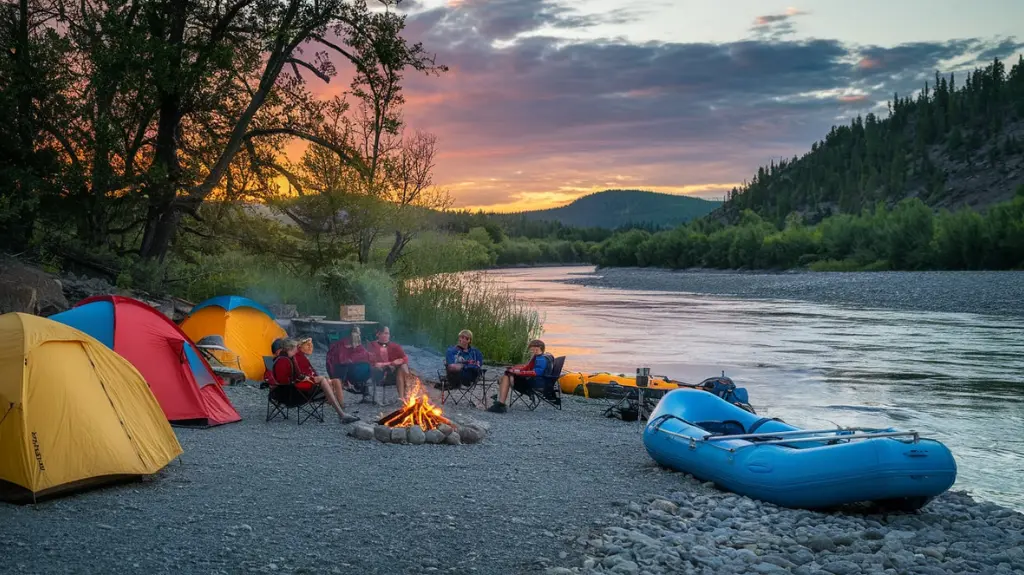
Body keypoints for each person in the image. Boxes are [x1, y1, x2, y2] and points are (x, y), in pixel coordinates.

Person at [274, 338, 359, 424]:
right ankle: (341, 414)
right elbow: (284, 382)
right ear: (290, 348)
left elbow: (297, 375)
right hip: (291, 395)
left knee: (325, 380)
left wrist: (304, 378)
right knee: (322, 379)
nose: (297, 349)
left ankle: (341, 412)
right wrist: (302, 379)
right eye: (296, 347)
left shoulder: (289, 358)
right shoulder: (283, 361)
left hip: (293, 390)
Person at [487, 339, 553, 413]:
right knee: (505, 375)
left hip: (535, 382)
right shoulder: (537, 357)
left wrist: (520, 373)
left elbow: (536, 372)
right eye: (532, 349)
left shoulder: (541, 359)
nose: (533, 351)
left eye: (535, 349)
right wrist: (515, 369)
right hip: (533, 379)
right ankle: (501, 399)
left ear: (541, 348)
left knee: (507, 377)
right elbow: (527, 367)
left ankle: (501, 404)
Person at [366, 325, 412, 402]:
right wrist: (391, 363)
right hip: (379, 374)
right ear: (378, 334)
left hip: (394, 374)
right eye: (385, 333)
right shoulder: (372, 345)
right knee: (401, 367)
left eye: (388, 333)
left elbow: (405, 358)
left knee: (403, 366)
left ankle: (403, 397)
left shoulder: (395, 346)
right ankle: (406, 395)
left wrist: (399, 361)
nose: (387, 335)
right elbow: (372, 362)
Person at [326, 326, 373, 396]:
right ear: (351, 333)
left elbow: (363, 353)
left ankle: (362, 388)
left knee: (369, 366)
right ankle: (345, 387)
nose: (359, 334)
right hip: (341, 369)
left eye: (359, 333)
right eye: (357, 332)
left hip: (354, 369)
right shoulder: (341, 344)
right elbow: (341, 359)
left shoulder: (357, 343)